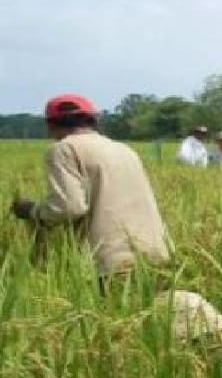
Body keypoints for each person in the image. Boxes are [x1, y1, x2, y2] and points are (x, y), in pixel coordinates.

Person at [9, 94, 170, 284]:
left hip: (112, 263)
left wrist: (33, 211)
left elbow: (69, 207)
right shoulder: (124, 149)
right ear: (93, 121)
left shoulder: (64, 148)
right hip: (156, 257)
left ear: (50, 125)